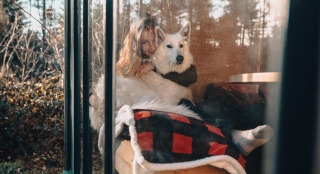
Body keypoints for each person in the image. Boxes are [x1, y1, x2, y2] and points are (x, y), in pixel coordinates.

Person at [90, 13, 273, 157]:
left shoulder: (161, 56)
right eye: (144, 42)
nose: (150, 46)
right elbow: (106, 85)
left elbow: (190, 75)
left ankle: (233, 134)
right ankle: (233, 136)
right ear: (135, 43)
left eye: (154, 40)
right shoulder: (127, 61)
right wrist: (98, 101)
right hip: (136, 105)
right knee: (186, 109)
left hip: (159, 101)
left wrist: (155, 68)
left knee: (193, 107)